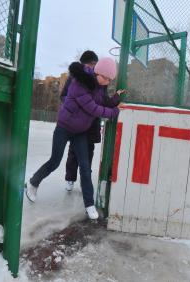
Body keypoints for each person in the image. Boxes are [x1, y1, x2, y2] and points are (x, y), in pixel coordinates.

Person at [25, 57, 123, 220]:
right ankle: (33, 182)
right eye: (106, 78)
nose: (107, 82)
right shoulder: (80, 83)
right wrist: (114, 112)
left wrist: (116, 99)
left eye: (110, 80)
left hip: (80, 132)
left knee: (85, 167)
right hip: (64, 128)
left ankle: (89, 204)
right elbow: (94, 109)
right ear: (98, 72)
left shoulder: (99, 87)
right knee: (55, 161)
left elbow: (103, 102)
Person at [60, 51, 101, 192]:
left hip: (91, 123)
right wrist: (76, 105)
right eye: (92, 64)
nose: (93, 67)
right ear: (84, 64)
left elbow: (101, 99)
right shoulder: (74, 78)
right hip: (76, 122)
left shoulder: (98, 78)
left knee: (88, 153)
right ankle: (70, 179)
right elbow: (64, 96)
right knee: (74, 151)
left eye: (95, 65)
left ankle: (86, 182)